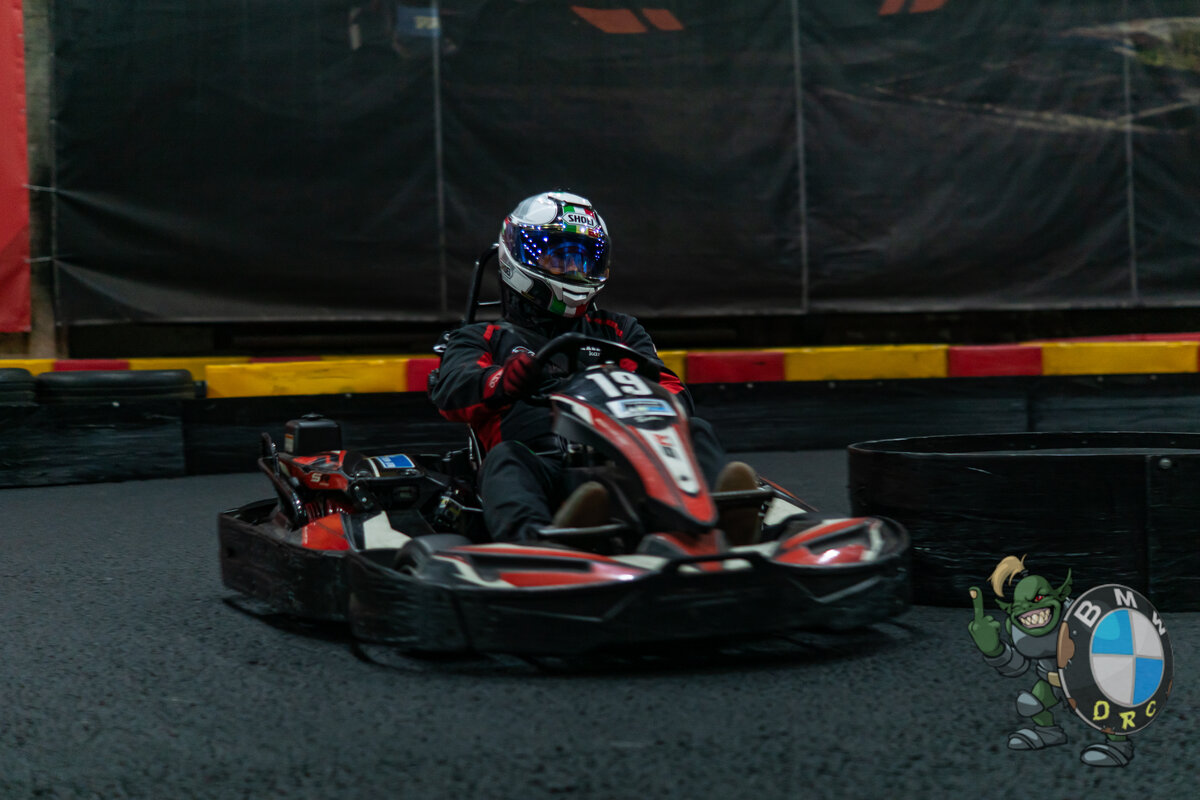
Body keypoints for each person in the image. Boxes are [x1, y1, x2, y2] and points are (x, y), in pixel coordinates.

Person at [430, 190, 757, 543]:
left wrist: (640, 398)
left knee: (696, 430)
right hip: (544, 466)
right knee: (506, 460)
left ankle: (719, 524)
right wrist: (504, 380)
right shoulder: (482, 338)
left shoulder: (619, 330)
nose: (573, 269)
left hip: (628, 463)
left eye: (582, 259)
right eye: (559, 258)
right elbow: (452, 391)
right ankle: (541, 545)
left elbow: (672, 391)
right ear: (517, 256)